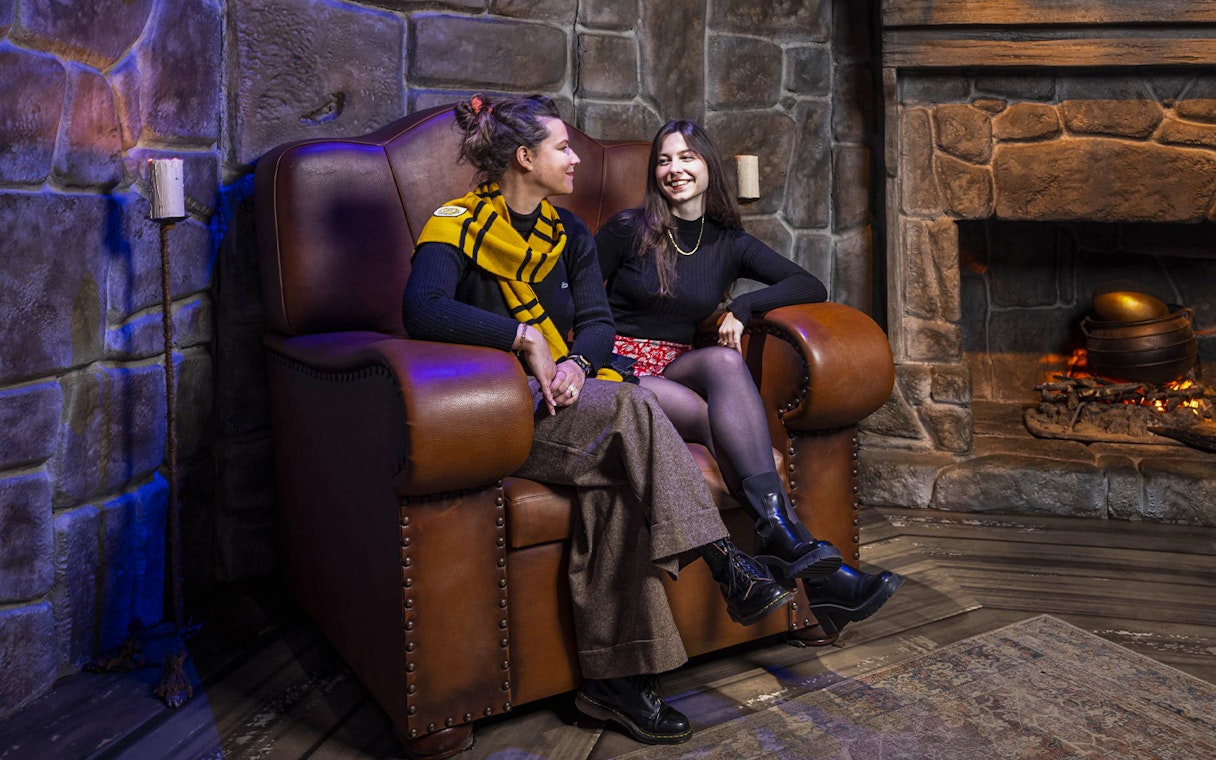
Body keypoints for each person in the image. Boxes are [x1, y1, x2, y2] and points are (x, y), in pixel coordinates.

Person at [402, 94, 815, 746]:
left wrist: (572, 364)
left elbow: (597, 324)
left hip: (573, 401)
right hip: (502, 413)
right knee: (635, 409)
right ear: (525, 157)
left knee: (621, 464)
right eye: (563, 147)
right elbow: (421, 309)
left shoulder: (567, 233)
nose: (575, 158)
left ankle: (612, 684)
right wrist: (522, 339)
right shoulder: (453, 224)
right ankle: (725, 560)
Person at [595, 119, 903, 644]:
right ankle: (805, 556)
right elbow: (576, 302)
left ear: (709, 167)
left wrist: (743, 306)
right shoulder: (628, 229)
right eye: (665, 160)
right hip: (618, 370)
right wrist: (595, 361)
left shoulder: (726, 242)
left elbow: (809, 283)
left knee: (724, 361)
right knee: (714, 416)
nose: (675, 169)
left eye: (687, 158)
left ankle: (782, 538)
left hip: (674, 365)